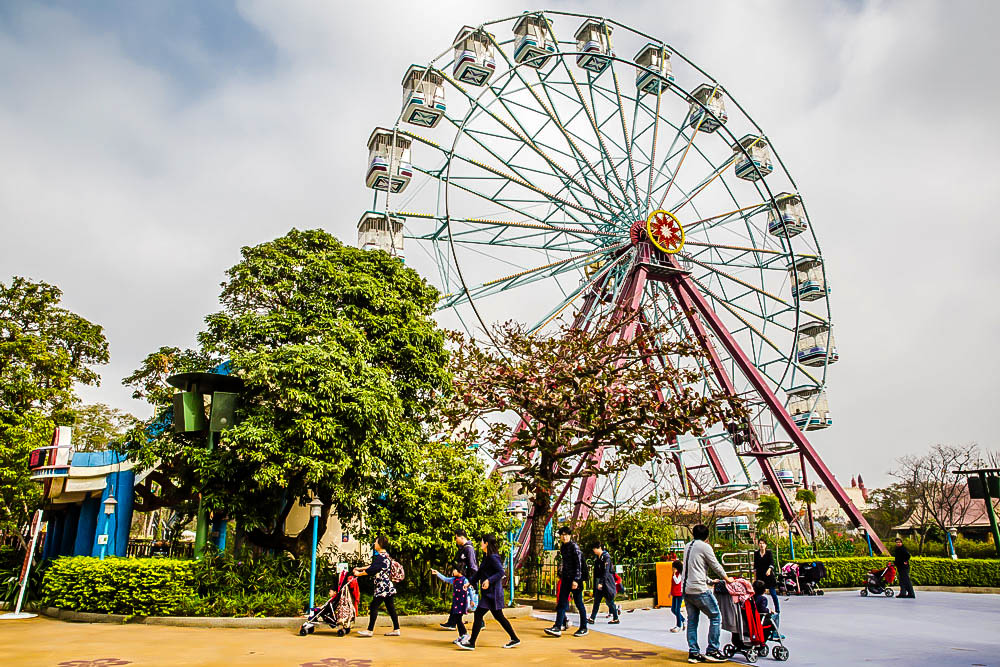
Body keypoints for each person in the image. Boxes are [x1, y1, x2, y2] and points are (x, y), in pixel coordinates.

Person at [457, 534, 521, 650]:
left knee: (480, 614)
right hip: (489, 594)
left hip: (493, 594)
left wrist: (488, 580)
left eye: (482, 541)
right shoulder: (487, 557)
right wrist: (469, 583)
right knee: (498, 616)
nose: (480, 544)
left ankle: (471, 643)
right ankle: (514, 638)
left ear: (486, 543)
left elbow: (501, 572)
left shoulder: (493, 557)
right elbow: (480, 573)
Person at [682, 524, 733, 663]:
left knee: (692, 621)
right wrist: (727, 579)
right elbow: (715, 564)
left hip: (686, 590)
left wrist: (710, 580)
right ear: (706, 536)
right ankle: (713, 650)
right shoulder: (705, 547)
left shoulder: (688, 546)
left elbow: (693, 568)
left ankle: (693, 653)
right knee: (716, 616)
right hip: (699, 589)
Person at [353, 535, 401, 637]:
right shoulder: (385, 555)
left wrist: (359, 574)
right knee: (391, 607)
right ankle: (396, 629)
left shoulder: (380, 557)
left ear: (379, 544)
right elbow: (374, 566)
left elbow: (372, 570)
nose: (374, 544)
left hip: (382, 587)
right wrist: (361, 568)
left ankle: (370, 630)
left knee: (374, 606)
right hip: (388, 586)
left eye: (375, 542)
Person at [545, 526, 588, 637]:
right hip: (566, 579)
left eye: (566, 534)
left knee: (579, 604)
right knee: (562, 603)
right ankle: (557, 627)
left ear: (570, 535)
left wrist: (576, 580)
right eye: (562, 535)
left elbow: (579, 564)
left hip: (575, 580)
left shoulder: (574, 547)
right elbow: (564, 563)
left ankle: (584, 627)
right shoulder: (563, 547)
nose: (564, 537)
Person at [432, 563, 471, 645]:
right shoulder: (454, 579)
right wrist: (437, 573)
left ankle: (465, 634)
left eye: (455, 570)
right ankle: (462, 635)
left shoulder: (465, 580)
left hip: (462, 603)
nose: (453, 571)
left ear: (460, 571)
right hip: (456, 603)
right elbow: (445, 579)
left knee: (458, 619)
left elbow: (470, 590)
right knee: (457, 619)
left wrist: (472, 600)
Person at [588, 543, 620, 624]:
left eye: (594, 549)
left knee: (610, 601)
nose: (594, 551)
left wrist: (601, 583)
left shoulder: (606, 557)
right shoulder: (597, 558)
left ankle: (616, 618)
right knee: (597, 601)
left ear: (599, 548)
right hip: (600, 582)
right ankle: (592, 618)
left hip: (606, 583)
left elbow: (606, 572)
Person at [752, 538, 780, 615]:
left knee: (773, 593)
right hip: (760, 576)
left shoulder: (769, 553)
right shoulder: (756, 554)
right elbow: (755, 567)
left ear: (766, 545)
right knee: (758, 594)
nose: (761, 545)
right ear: (758, 545)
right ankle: (758, 608)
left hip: (769, 576)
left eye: (763, 543)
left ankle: (777, 609)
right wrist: (755, 579)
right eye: (760, 543)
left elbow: (772, 563)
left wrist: (769, 570)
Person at [669, 560, 685, 633]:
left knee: (677, 610)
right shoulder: (674, 573)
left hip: (679, 593)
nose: (672, 568)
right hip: (674, 593)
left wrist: (675, 574)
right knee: (673, 609)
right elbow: (673, 583)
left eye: (673, 567)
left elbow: (677, 581)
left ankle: (678, 626)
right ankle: (683, 620)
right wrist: (670, 592)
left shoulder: (680, 574)